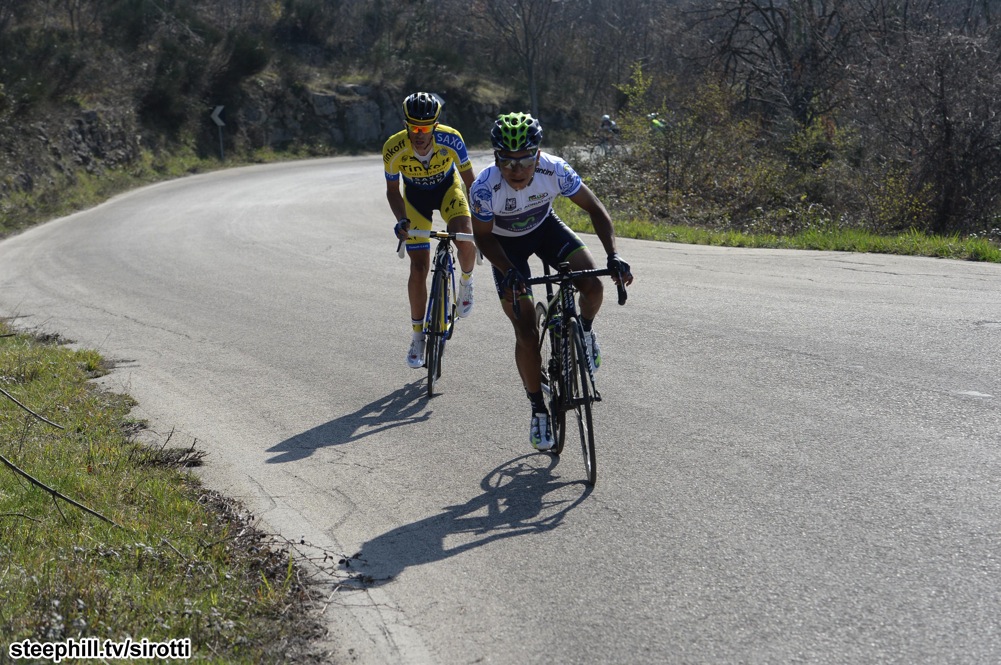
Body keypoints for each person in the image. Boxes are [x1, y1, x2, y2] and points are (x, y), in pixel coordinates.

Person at [470, 112, 634, 451]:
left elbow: (595, 209)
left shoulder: (555, 169)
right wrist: (508, 270)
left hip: (545, 229)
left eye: (525, 160)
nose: (516, 170)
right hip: (504, 247)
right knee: (526, 332)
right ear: (496, 157)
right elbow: (483, 239)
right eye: (507, 161)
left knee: (592, 284)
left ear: (538, 156)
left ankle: (585, 331)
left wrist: (613, 255)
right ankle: (538, 409)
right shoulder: (484, 187)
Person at [384, 91, 477, 369]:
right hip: (415, 200)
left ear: (436, 125)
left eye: (425, 128)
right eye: (413, 127)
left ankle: (466, 283)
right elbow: (391, 191)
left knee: (464, 234)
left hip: (448, 191)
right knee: (419, 267)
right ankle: (417, 337)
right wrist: (401, 220)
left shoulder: (452, 139)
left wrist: (482, 219)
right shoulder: (393, 148)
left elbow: (471, 183)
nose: (419, 133)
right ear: (406, 125)